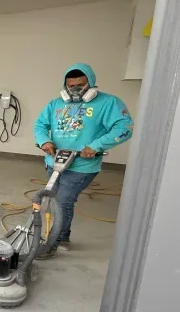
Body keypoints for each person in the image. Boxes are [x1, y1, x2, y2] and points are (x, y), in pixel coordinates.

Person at [33, 63, 133, 258]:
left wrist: (96, 146)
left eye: (81, 84)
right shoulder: (56, 104)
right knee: (52, 200)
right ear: (65, 85)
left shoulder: (108, 103)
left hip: (82, 165)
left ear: (91, 83)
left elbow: (125, 127)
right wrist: (44, 141)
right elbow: (40, 124)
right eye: (71, 86)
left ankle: (55, 241)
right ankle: (62, 236)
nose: (76, 89)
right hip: (54, 161)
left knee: (63, 201)